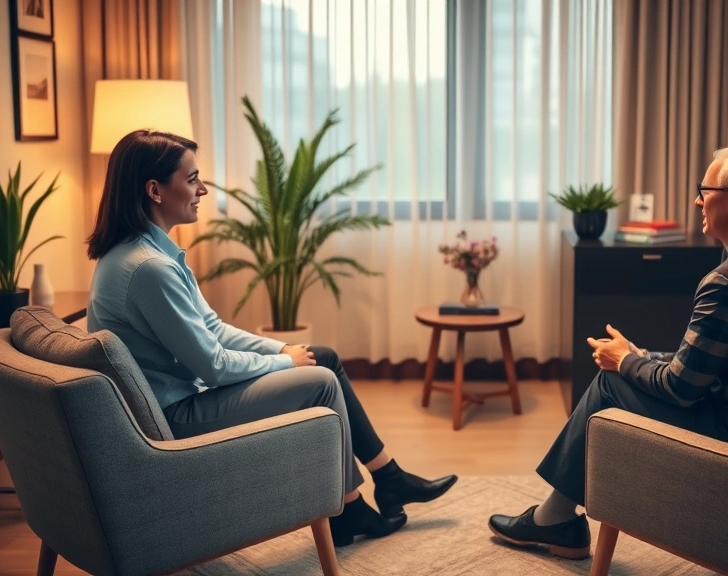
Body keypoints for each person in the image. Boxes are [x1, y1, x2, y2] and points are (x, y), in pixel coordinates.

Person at [85, 130, 457, 547]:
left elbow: (213, 327)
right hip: (176, 416)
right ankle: (348, 508)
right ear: (154, 190)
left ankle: (388, 477)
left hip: (183, 398)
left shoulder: (146, 254)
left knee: (323, 357)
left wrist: (282, 348)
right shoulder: (149, 270)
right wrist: (285, 363)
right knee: (319, 381)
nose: (202, 189)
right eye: (192, 179)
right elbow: (213, 364)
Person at [489, 146, 728, 559]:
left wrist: (624, 361)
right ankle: (556, 517)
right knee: (625, 368)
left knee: (609, 381)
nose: (696, 201)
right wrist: (643, 355)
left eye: (703, 190)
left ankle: (554, 521)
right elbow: (724, 361)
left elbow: (682, 390)